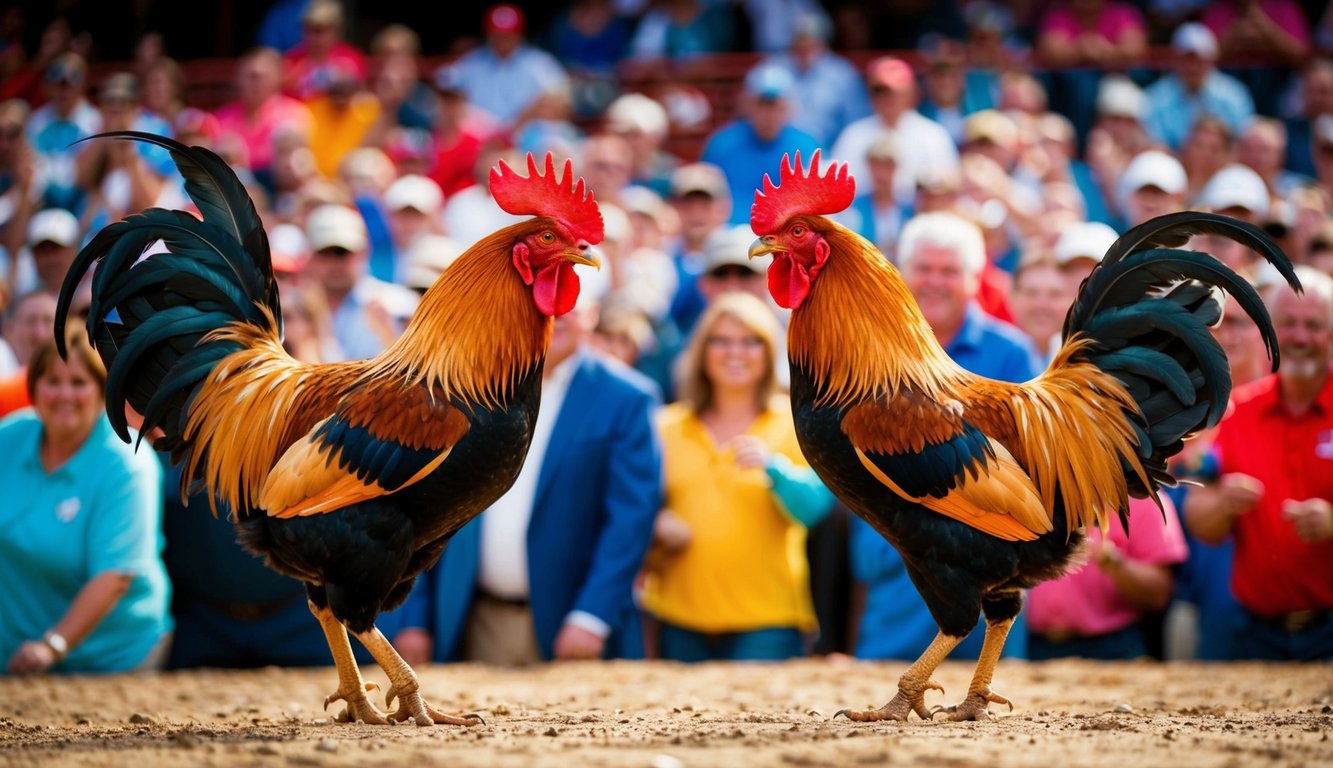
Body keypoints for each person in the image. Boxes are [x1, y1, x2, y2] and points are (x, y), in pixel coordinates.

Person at [382, 291, 662, 664]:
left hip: (573, 633)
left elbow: (630, 519)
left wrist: (591, 617)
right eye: (536, 302)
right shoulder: (460, 388)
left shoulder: (627, 398)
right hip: (469, 623)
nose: (550, 314)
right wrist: (413, 618)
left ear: (592, 314)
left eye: (566, 304)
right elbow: (419, 508)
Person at [849, 211, 1039, 661]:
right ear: (900, 273)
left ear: (976, 279)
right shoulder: (866, 349)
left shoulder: (1009, 353)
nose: (935, 281)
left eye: (949, 271)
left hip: (985, 552)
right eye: (924, 268)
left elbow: (1036, 466)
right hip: (895, 576)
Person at [640, 292, 833, 661]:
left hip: (768, 622)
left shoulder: (796, 424)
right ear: (702, 350)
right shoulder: (666, 426)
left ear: (769, 352)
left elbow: (813, 512)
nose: (735, 352)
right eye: (721, 341)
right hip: (677, 616)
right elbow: (636, 506)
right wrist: (658, 521)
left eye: (750, 342)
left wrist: (775, 469)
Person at [1183, 266, 1333, 660]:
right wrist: (1221, 504)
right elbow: (1198, 517)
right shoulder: (1240, 411)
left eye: (1314, 325)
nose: (1300, 337)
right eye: (1288, 324)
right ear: (1269, 331)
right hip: (1254, 636)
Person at [0, 331, 170, 674]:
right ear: (33, 388)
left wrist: (53, 646)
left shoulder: (127, 464)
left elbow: (115, 575)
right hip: (15, 656)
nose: (65, 394)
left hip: (110, 659)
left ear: (102, 391)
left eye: (78, 382)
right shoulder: (9, 438)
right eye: (52, 381)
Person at [1026, 492, 1189, 660]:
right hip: (1033, 647)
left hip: (1112, 648)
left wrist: (1112, 560)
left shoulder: (1143, 499)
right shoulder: (1032, 488)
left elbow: (1159, 594)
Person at [700, 63, 818, 226]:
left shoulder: (805, 146)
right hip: (728, 233)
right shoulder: (721, 144)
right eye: (761, 105)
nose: (768, 114)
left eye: (775, 106)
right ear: (747, 105)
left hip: (785, 233)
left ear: (788, 108)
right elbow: (703, 198)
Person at [830, 56, 958, 206]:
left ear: (910, 93)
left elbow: (946, 188)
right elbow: (838, 189)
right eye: (879, 91)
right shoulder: (853, 135)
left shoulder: (932, 135)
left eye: (893, 91)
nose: (887, 98)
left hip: (918, 216)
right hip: (864, 221)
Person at [302, 203, 418, 361]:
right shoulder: (294, 308)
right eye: (325, 253)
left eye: (342, 252)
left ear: (364, 252)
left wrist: (390, 336)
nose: (334, 263)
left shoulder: (399, 304)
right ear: (311, 256)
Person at [758, 9, 870, 147]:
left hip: (828, 155)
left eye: (811, 42)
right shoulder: (770, 68)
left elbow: (855, 121)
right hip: (778, 152)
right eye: (799, 41)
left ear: (823, 43)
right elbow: (750, 110)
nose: (804, 47)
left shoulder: (842, 74)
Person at [450, 4, 570, 131]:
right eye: (496, 35)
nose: (501, 40)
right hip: (478, 136)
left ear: (519, 35)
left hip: (524, 135)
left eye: (507, 36)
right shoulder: (471, 62)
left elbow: (562, 101)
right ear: (488, 35)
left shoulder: (539, 63)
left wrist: (528, 115)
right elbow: (443, 88)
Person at [1143, 22, 1254, 152]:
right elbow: (1154, 144)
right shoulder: (1154, 97)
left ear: (1212, 60)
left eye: (1199, 60)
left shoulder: (1234, 95)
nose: (1192, 67)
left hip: (1225, 166)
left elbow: (1243, 141)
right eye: (1186, 59)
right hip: (1173, 167)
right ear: (1174, 59)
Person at [214, 47, 313, 179]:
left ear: (278, 77)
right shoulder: (221, 118)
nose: (256, 83)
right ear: (237, 79)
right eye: (250, 76)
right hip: (236, 185)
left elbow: (298, 165)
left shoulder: (295, 114)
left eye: (261, 77)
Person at [25, 51, 98, 215]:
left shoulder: (96, 124)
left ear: (82, 85)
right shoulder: (36, 121)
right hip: (42, 206)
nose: (64, 92)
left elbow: (84, 177)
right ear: (49, 86)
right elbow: (30, 174)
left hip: (82, 208)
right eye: (58, 85)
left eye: (69, 85)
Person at [281, 0, 369, 102]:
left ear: (337, 30)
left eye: (320, 31)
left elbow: (361, 98)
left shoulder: (352, 59)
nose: (313, 38)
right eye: (309, 30)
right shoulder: (290, 60)